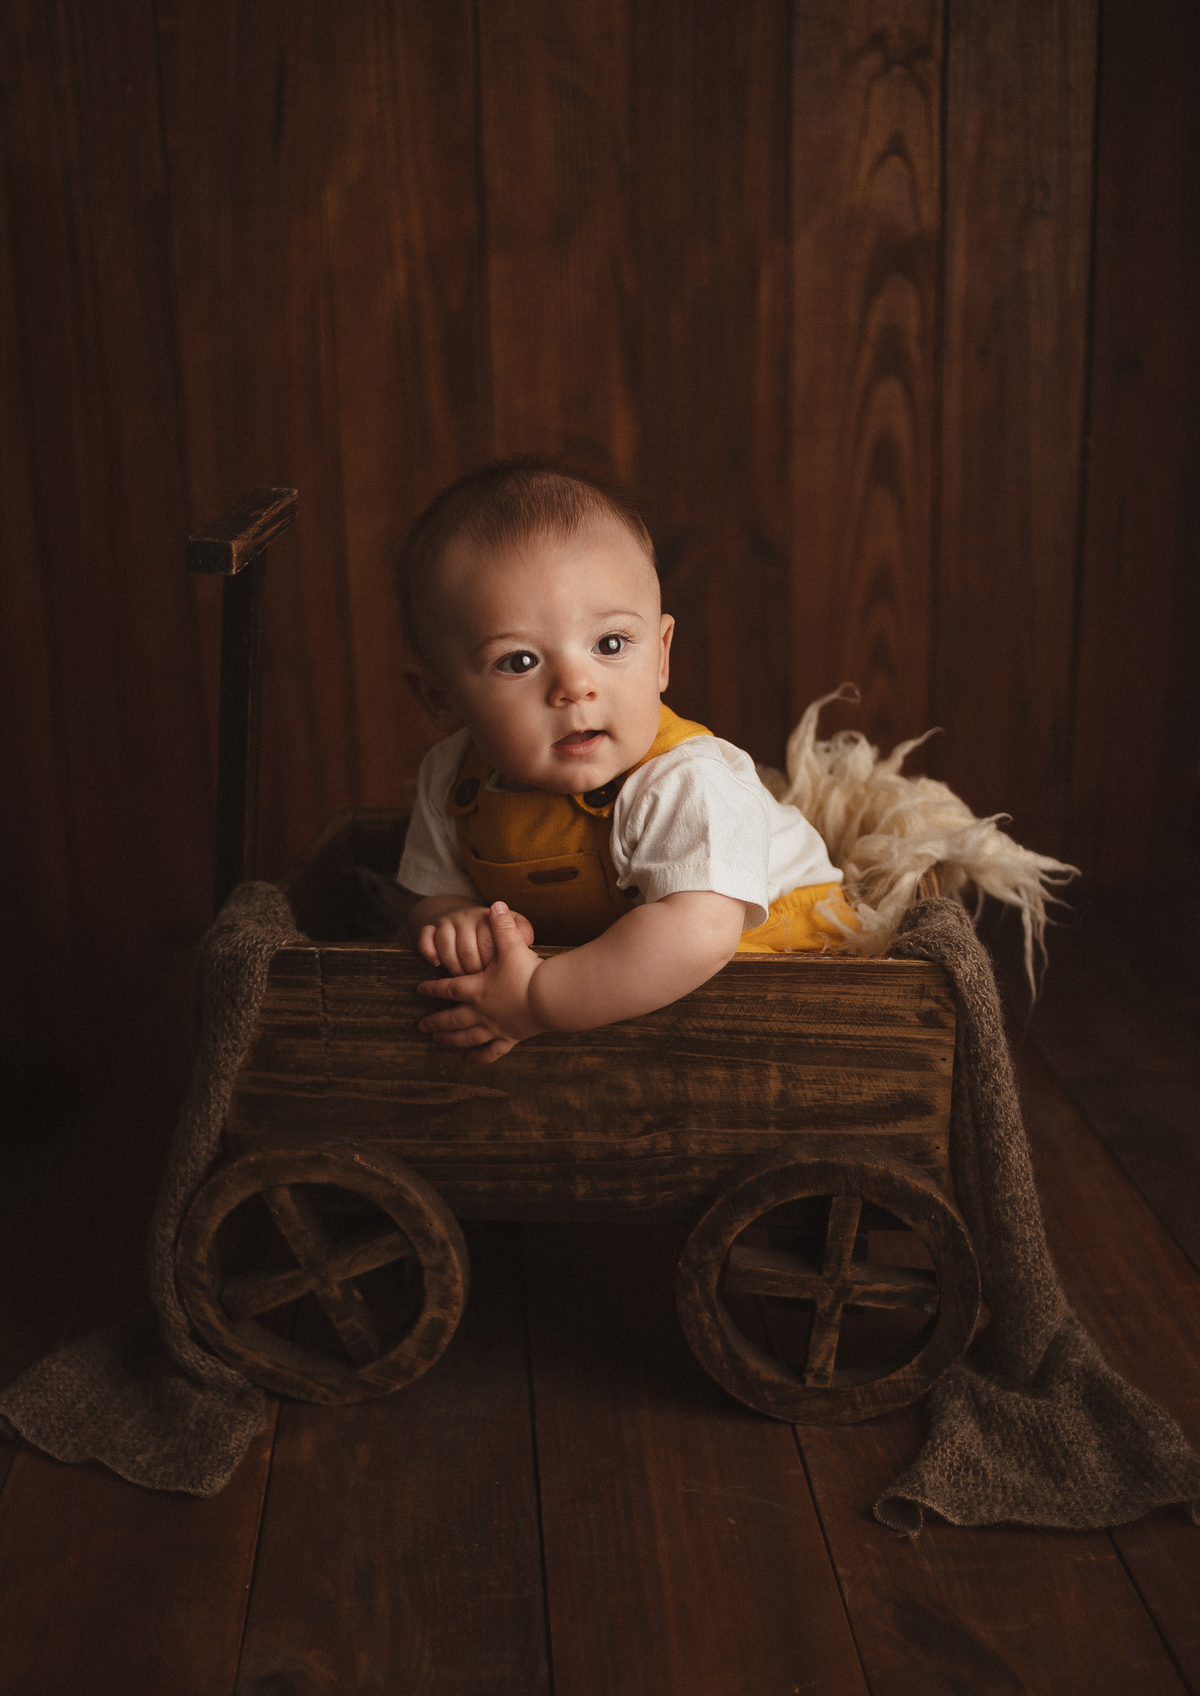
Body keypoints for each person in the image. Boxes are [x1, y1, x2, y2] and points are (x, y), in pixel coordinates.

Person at [398, 460, 857, 1062]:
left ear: (661, 656)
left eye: (609, 645)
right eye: (519, 662)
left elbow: (698, 934)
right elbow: (428, 893)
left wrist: (537, 1000)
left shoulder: (685, 780)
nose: (575, 686)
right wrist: (458, 920)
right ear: (440, 698)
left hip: (780, 962)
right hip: (613, 981)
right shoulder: (452, 779)